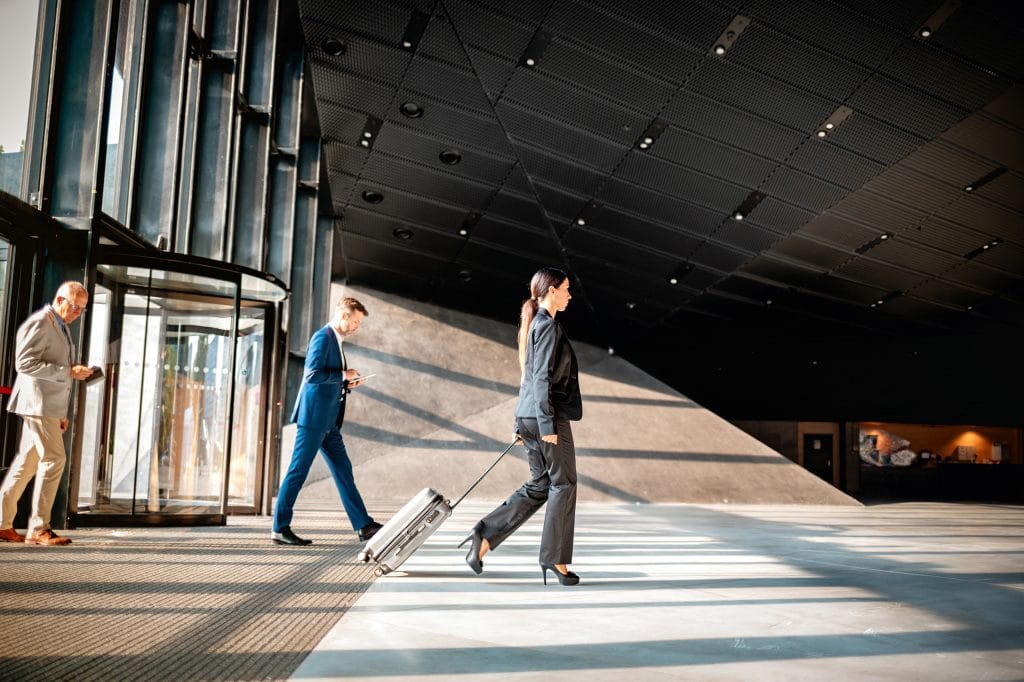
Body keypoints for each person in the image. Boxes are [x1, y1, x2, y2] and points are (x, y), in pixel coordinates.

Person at [460, 267, 583, 585]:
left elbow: (527, 376)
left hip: (530, 415)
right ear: (552, 290)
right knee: (563, 484)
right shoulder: (547, 325)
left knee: (541, 485)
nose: (570, 295)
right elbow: (539, 377)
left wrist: (520, 421)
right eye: (566, 289)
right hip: (546, 417)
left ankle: (483, 536)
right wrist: (546, 425)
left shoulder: (536, 325)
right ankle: (556, 560)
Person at [271, 297, 382, 546]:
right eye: (355, 321)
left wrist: (347, 384)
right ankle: (279, 527)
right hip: (313, 420)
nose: (356, 327)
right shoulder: (322, 337)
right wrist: (343, 374)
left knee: (344, 470)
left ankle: (363, 525)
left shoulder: (336, 340)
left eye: (359, 322)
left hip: (329, 422)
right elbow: (311, 375)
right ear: (343, 316)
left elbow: (326, 379)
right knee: (298, 471)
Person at [1, 281, 94, 545]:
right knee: (54, 459)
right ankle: (39, 528)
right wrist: (68, 372)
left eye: (82, 310)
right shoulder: (41, 322)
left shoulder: (61, 326)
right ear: (60, 299)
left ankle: (2, 523)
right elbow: (24, 362)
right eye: (75, 307)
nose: (76, 313)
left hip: (47, 406)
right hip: (36, 403)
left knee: (27, 463)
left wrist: (61, 411)